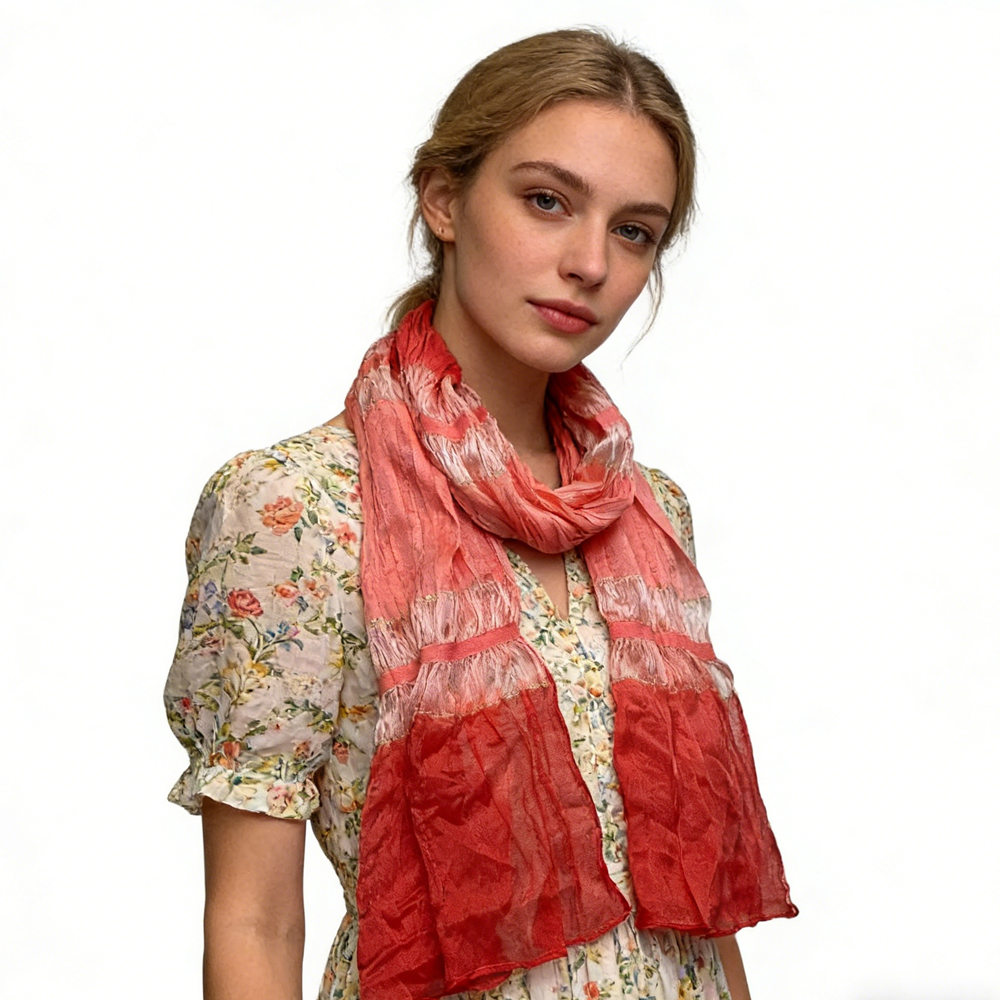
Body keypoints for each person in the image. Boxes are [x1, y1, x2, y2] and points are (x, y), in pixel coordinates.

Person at [164, 27, 797, 1000]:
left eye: (634, 230)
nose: (590, 261)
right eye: (547, 200)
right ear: (444, 199)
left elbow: (693, 907)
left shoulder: (649, 512)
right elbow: (256, 919)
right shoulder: (297, 508)